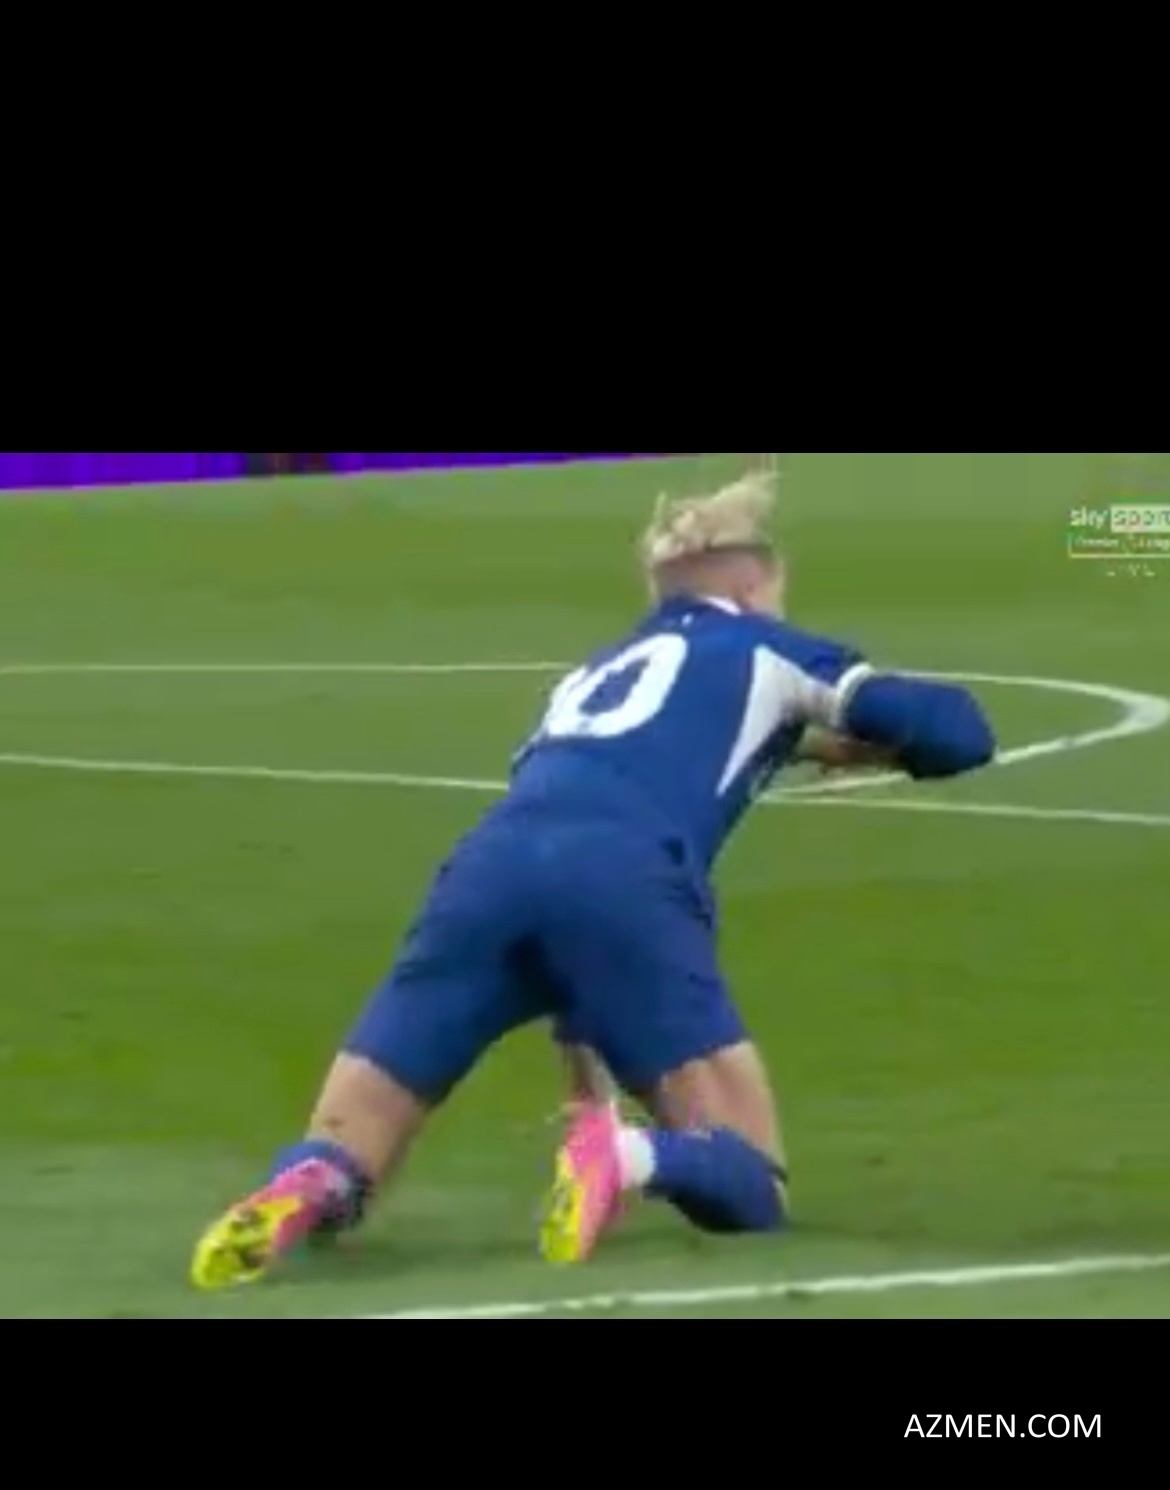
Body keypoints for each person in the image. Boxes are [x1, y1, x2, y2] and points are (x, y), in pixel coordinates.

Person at [190, 469, 996, 1289]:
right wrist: (881, 747)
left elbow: (595, 830)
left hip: (485, 874)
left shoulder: (587, 678)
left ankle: (312, 1184)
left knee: (352, 1136)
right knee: (753, 1178)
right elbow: (958, 734)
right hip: (626, 876)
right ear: (754, 587)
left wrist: (585, 1081)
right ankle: (632, 1155)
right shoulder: (765, 646)